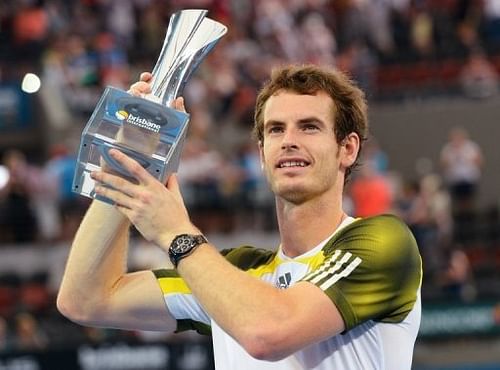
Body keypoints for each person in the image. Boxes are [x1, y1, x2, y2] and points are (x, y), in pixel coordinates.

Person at [57, 64, 422, 370]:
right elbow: (85, 299)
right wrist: (130, 160)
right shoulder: (236, 272)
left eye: (309, 126)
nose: (289, 140)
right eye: (275, 129)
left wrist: (175, 232)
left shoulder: (384, 243)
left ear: (347, 148)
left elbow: (268, 333)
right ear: (262, 154)